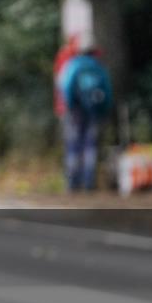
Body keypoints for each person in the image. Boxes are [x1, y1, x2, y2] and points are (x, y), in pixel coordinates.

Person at [58, 32, 113, 191]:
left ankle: (72, 183)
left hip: (75, 111)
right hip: (94, 111)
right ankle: (89, 182)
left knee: (73, 146)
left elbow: (65, 87)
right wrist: (103, 110)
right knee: (90, 145)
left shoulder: (73, 65)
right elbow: (107, 91)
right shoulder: (98, 67)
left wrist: (69, 106)